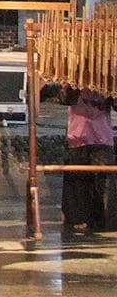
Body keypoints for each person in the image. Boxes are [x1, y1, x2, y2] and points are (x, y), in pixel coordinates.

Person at [58, 85, 116, 231]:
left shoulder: (106, 80)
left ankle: (102, 217)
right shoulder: (72, 81)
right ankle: (77, 216)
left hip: (101, 136)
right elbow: (65, 99)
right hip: (78, 135)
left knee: (103, 180)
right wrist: (74, 86)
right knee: (77, 177)